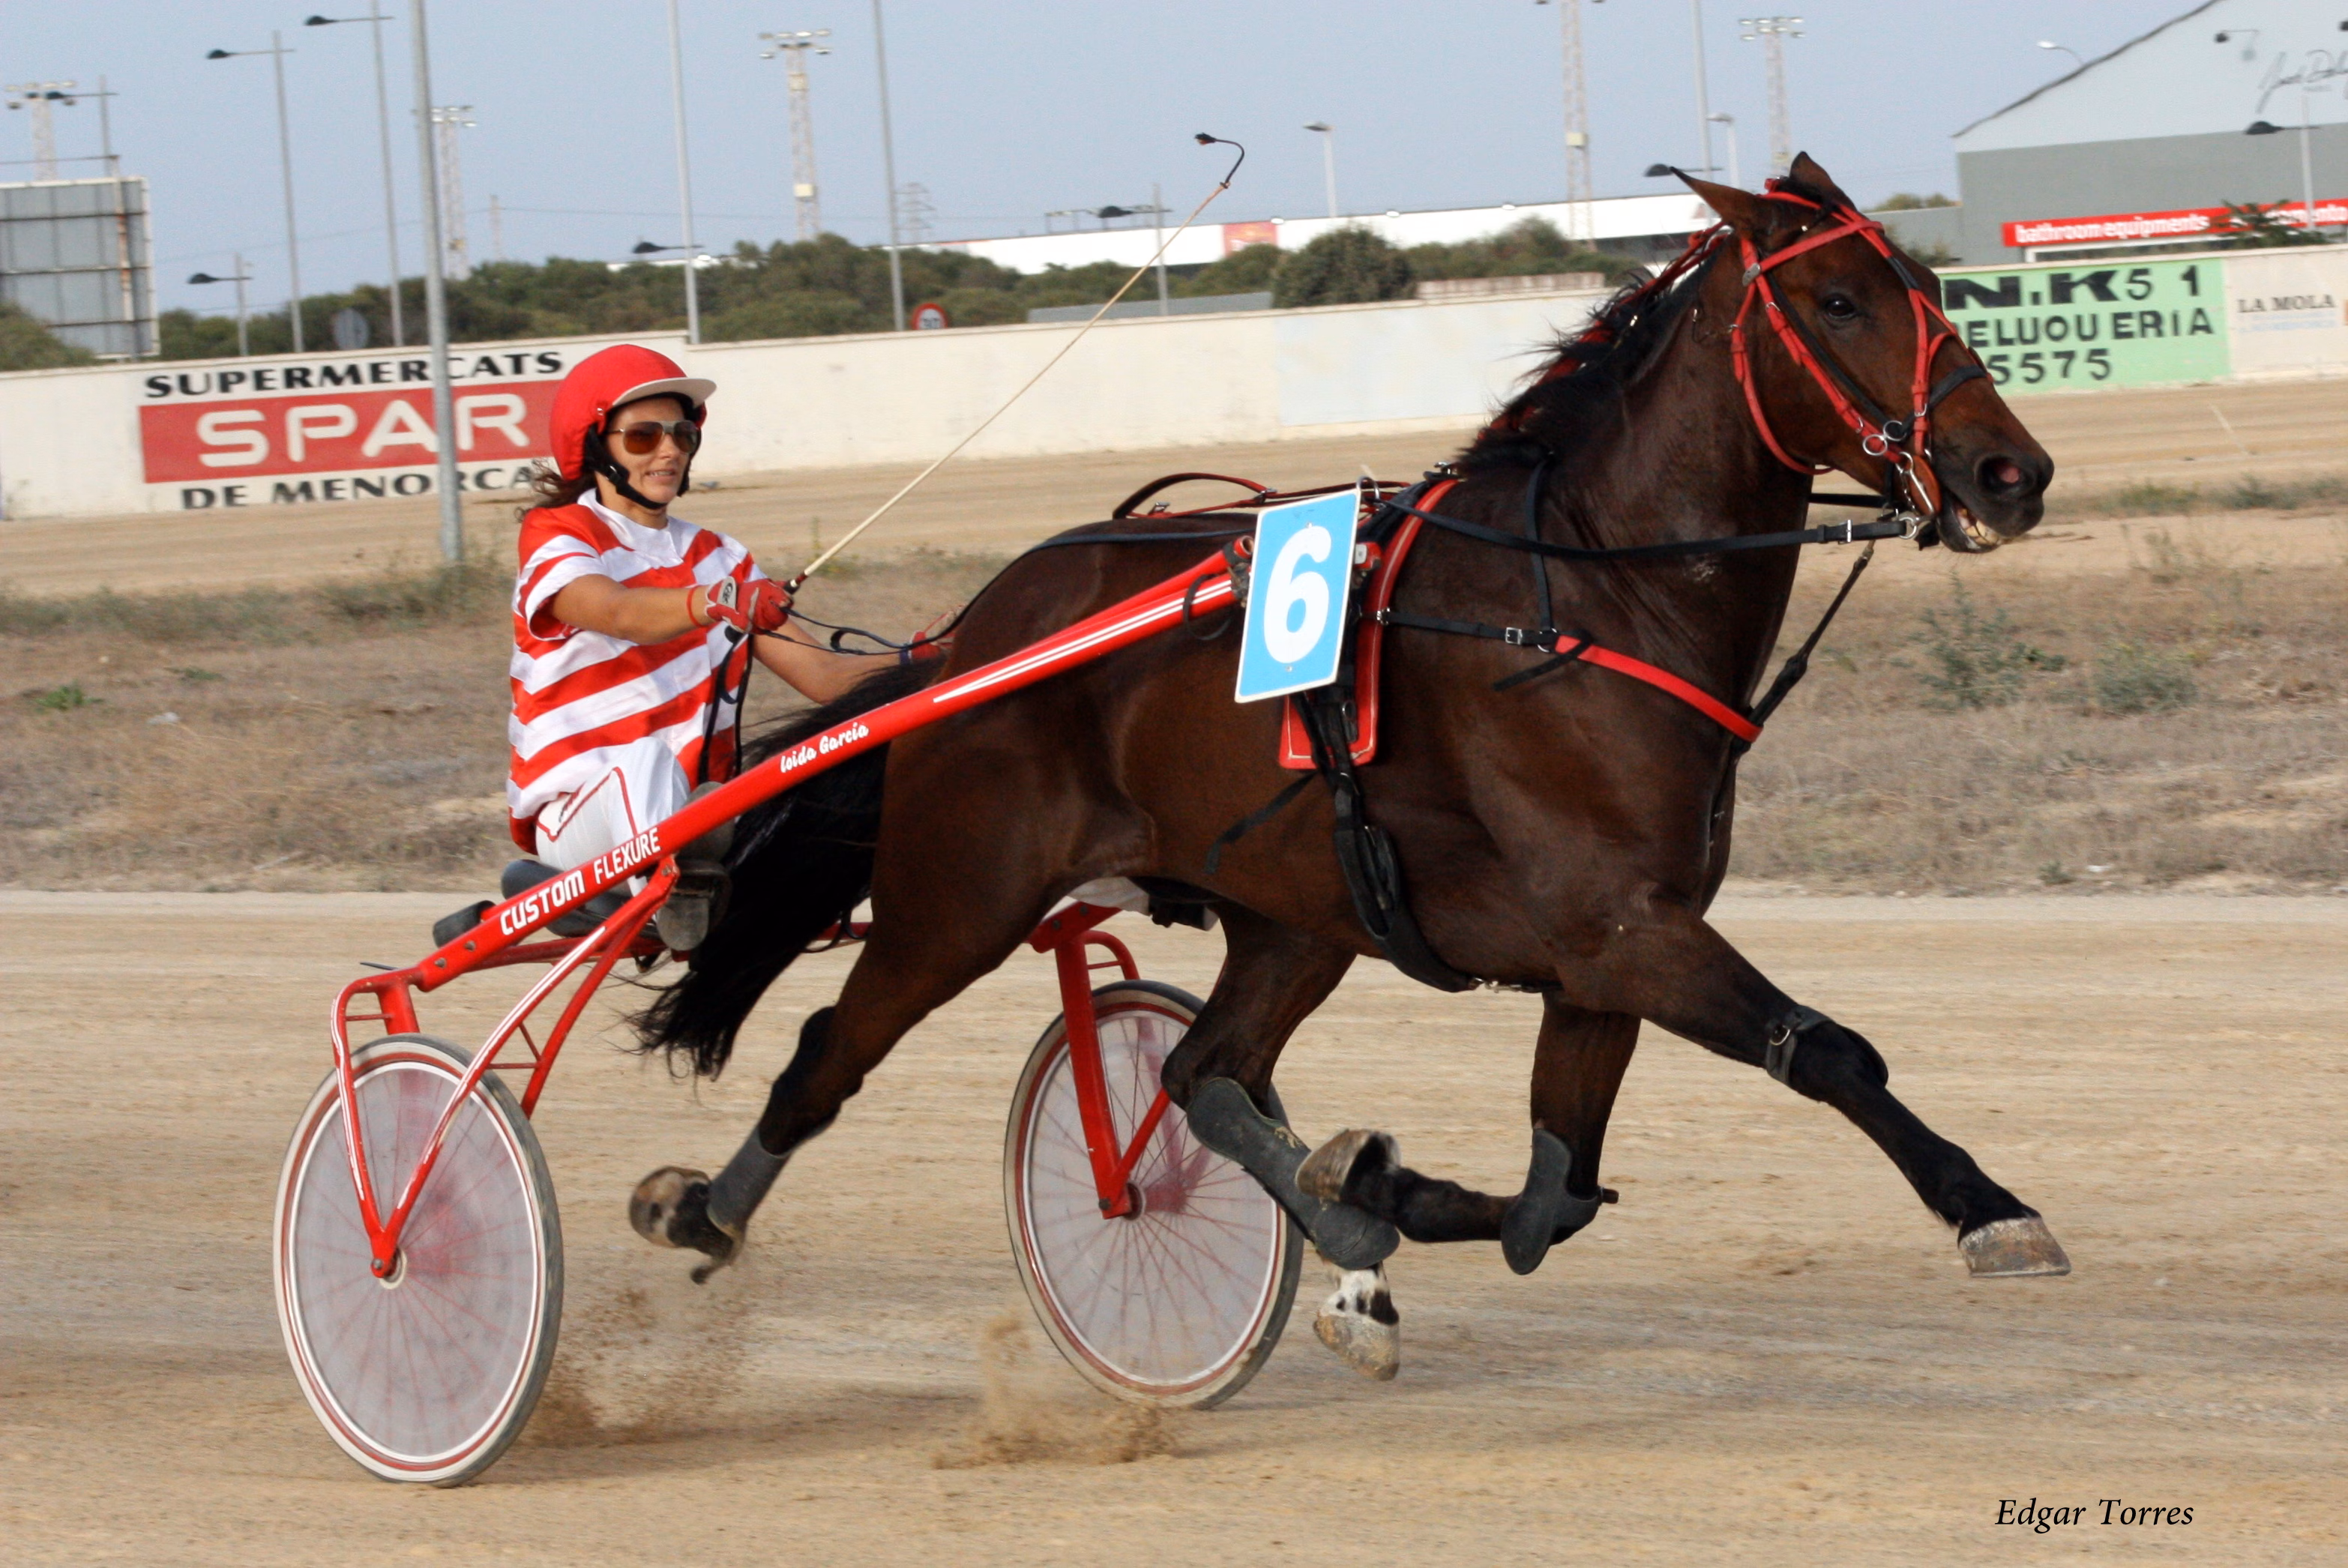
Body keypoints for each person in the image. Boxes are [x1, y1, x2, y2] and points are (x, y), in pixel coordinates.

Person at [507, 343, 864, 950]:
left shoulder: (721, 555)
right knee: (646, 763)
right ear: (596, 446)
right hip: (580, 818)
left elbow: (830, 680)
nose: (670, 449)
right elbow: (618, 612)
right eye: (644, 437)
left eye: (681, 434)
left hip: (697, 814)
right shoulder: (560, 534)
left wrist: (939, 653)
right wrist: (719, 600)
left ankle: (700, 873)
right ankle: (677, 895)